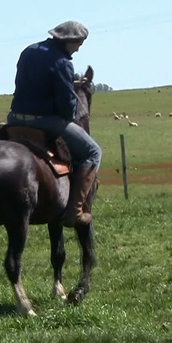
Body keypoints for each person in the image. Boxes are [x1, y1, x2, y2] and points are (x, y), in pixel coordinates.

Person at [6, 20, 102, 227]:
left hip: (14, 118)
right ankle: (75, 212)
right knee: (93, 152)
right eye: (78, 44)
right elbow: (68, 109)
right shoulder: (63, 62)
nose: (78, 49)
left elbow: (35, 81)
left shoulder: (28, 51)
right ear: (69, 41)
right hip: (44, 122)